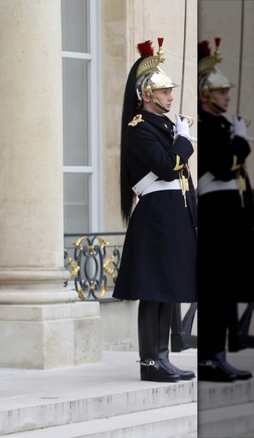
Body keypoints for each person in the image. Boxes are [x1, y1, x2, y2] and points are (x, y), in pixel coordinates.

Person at [112, 38, 197, 383]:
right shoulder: (139, 128)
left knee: (168, 289)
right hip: (157, 216)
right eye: (164, 92)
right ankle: (151, 361)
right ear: (147, 94)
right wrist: (185, 140)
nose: (170, 97)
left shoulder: (163, 126)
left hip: (172, 215)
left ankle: (163, 356)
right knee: (154, 292)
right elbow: (167, 166)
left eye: (170, 91)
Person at [196, 38, 253, 382]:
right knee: (216, 290)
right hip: (215, 215)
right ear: (205, 94)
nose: (227, 96)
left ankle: (219, 354)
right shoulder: (207, 128)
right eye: (220, 92)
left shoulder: (220, 126)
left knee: (226, 289)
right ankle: (209, 358)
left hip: (230, 215)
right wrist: (241, 142)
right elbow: (221, 166)